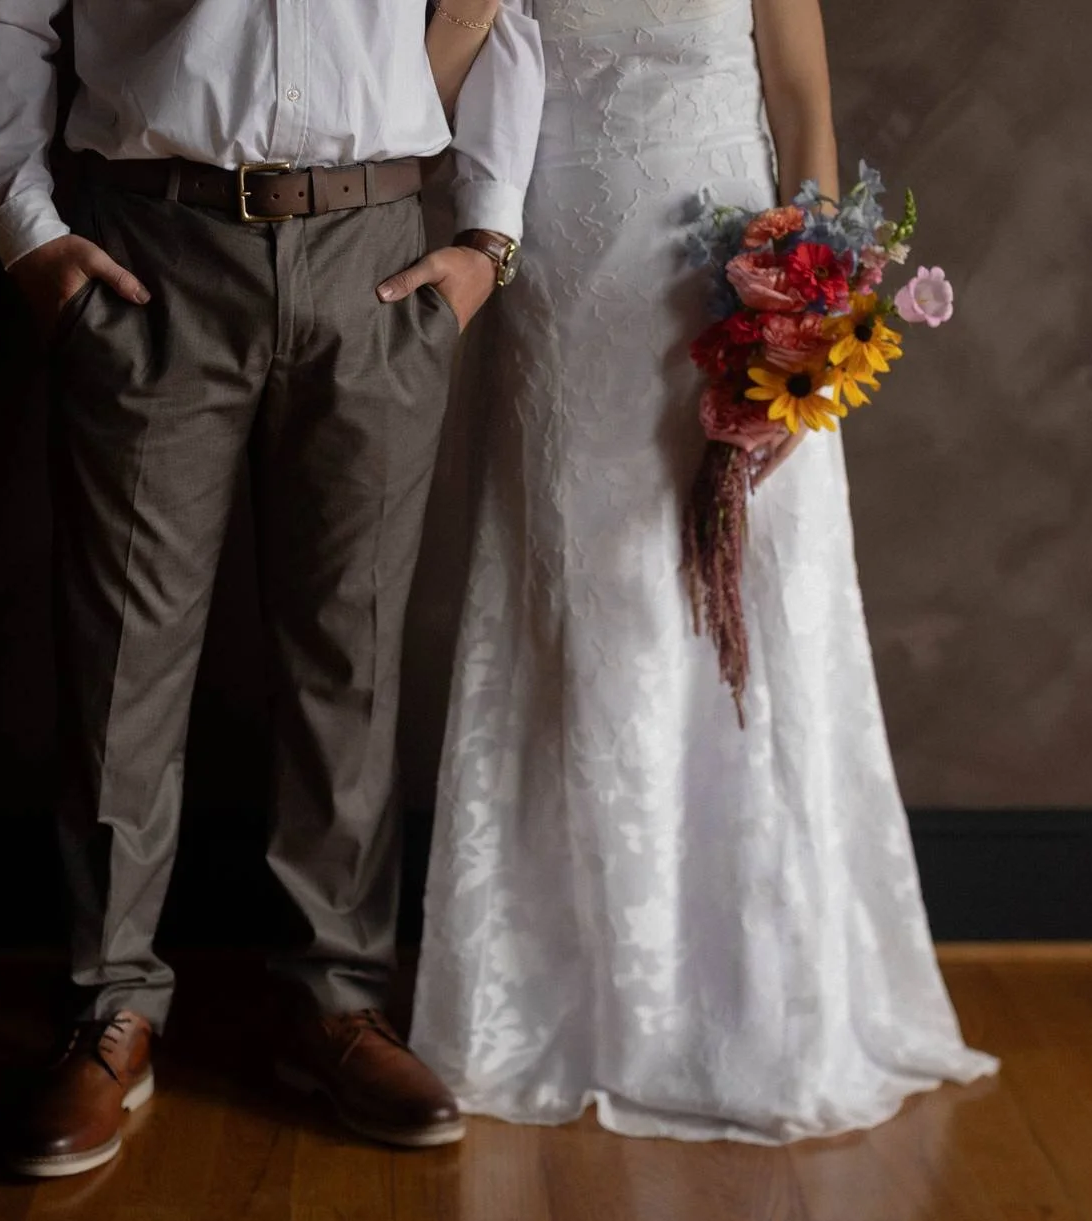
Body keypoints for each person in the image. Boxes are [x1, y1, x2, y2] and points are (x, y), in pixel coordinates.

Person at [0, 0, 545, 1175]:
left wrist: (487, 240)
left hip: (377, 254)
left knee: (352, 657)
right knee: (124, 654)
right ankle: (110, 1010)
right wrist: (29, 237)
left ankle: (337, 1002)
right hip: (152, 251)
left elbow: (492, 9)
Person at [411, 0, 998, 1141]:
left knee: (747, 609)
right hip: (565, 284)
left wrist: (817, 298)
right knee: (592, 613)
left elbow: (801, 98)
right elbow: (413, 108)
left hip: (732, 282)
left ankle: (762, 1004)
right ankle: (581, 995)